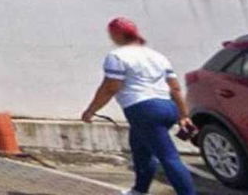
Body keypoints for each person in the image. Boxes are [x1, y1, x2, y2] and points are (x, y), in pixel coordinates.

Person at [80, 17, 195, 195]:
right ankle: (139, 190)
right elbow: (175, 87)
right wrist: (183, 115)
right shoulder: (157, 56)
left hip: (143, 109)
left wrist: (91, 110)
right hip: (167, 106)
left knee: (169, 157)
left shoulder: (117, 56)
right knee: (140, 149)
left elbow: (111, 87)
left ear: (117, 34)